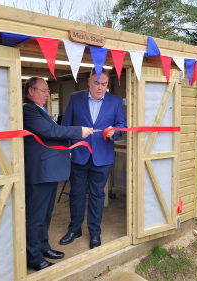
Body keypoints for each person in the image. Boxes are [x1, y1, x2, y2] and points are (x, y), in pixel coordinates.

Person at [23, 77, 93, 271]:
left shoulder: (39, 109)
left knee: (45, 214)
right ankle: (33, 256)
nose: (48, 94)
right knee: (36, 216)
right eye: (44, 91)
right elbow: (50, 130)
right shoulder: (27, 110)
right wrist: (79, 131)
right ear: (30, 91)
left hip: (49, 171)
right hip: (40, 172)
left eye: (48, 91)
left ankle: (43, 246)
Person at [60, 68, 127, 249]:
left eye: (104, 84)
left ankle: (95, 233)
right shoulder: (75, 98)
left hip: (103, 158)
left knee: (97, 196)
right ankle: (75, 229)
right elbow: (65, 126)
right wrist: (68, 151)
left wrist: (116, 132)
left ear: (107, 84)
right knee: (76, 194)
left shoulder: (114, 101)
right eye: (96, 83)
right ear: (89, 82)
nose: (100, 87)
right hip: (78, 155)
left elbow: (122, 124)